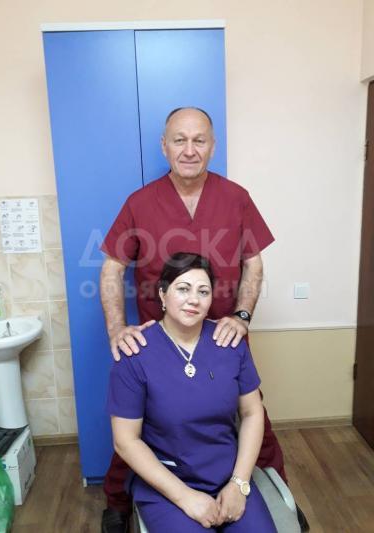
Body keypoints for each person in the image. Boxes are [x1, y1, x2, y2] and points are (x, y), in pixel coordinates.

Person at [100, 107, 300, 532]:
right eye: (179, 140)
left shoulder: (235, 197)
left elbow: (254, 263)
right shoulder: (140, 203)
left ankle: (273, 490)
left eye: (199, 140)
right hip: (161, 341)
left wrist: (242, 316)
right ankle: (119, 502)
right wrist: (116, 328)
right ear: (164, 146)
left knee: (253, 419)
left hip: (222, 337)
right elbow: (112, 268)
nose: (189, 150)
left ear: (212, 146)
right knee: (143, 426)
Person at [109, 252, 276, 532]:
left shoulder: (231, 343)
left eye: (203, 291)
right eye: (183, 289)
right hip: (167, 484)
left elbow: (252, 413)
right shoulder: (135, 352)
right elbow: (126, 441)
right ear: (162, 295)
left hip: (228, 476)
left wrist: (238, 483)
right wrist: (185, 497)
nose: (194, 299)